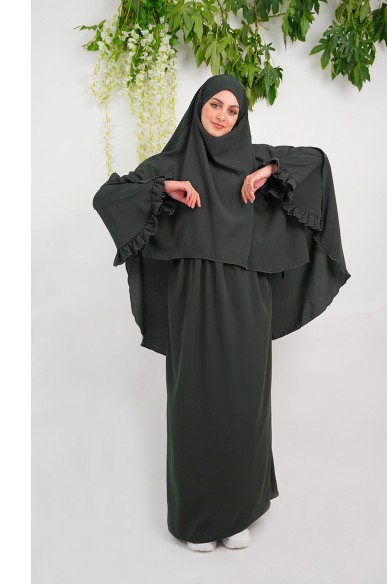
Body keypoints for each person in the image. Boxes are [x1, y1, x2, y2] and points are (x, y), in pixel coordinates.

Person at [92, 74, 351, 552]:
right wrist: (163, 189)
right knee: (193, 403)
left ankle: (237, 514)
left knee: (243, 402)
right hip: (192, 299)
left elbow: (317, 161)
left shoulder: (254, 159)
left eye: (234, 110)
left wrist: (269, 171)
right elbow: (107, 197)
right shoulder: (169, 164)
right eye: (216, 105)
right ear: (199, 106)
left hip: (247, 299)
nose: (223, 116)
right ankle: (197, 518)